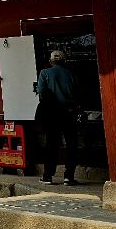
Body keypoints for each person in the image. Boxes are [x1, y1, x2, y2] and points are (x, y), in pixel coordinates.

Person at [36, 50, 80, 186]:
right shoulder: (71, 74)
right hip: (69, 113)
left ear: (51, 61)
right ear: (64, 61)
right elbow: (78, 93)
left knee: (51, 144)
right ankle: (69, 176)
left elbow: (41, 91)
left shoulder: (44, 73)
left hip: (52, 114)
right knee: (71, 144)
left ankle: (48, 176)